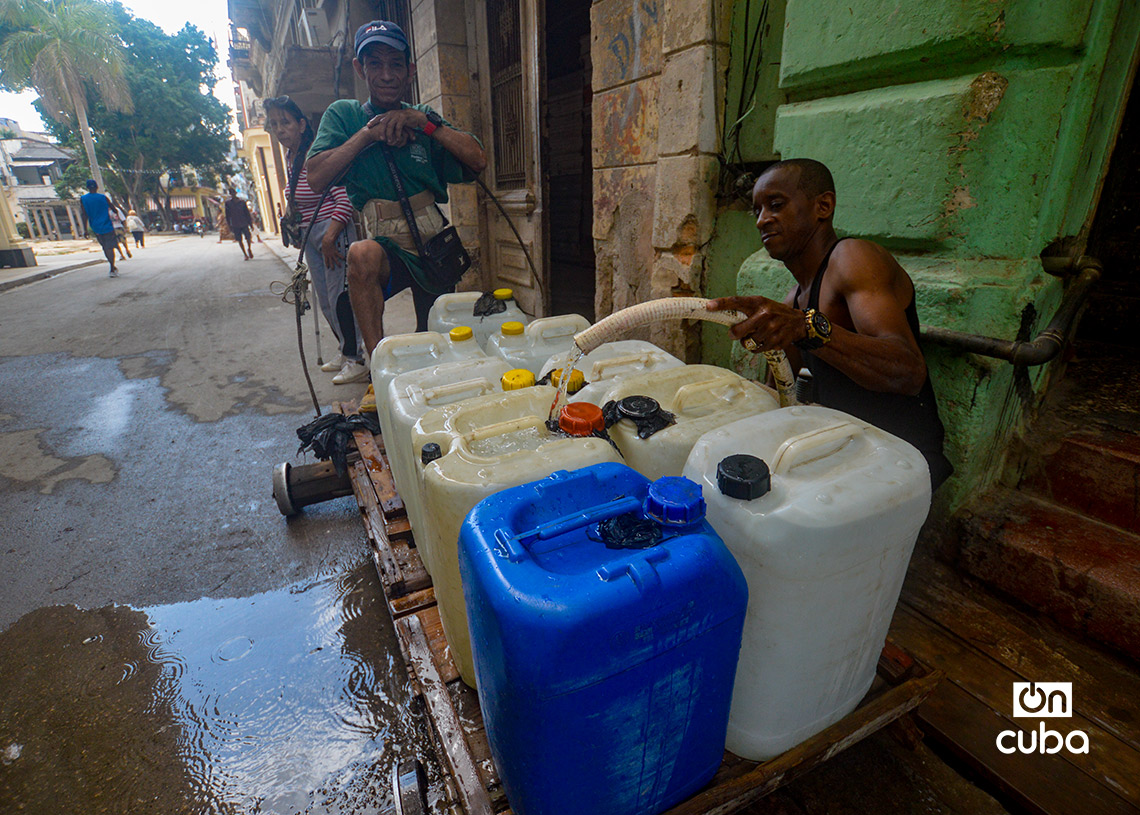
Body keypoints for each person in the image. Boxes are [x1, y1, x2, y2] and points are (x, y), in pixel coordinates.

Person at [708, 158, 953, 490]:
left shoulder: (852, 259)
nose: (762, 220)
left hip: (903, 460)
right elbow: (779, 394)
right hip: (848, 451)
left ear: (823, 206)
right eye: (757, 211)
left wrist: (807, 328)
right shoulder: (794, 298)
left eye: (776, 205)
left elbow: (908, 372)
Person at [306, 20, 487, 356]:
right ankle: (379, 368)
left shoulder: (423, 117)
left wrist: (425, 125)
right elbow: (316, 177)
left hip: (433, 246)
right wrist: (368, 135)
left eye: (395, 64)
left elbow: (477, 159)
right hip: (387, 247)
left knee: (435, 342)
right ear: (360, 69)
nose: (386, 74)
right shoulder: (344, 116)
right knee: (361, 254)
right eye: (375, 63)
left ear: (410, 71)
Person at [265, 94, 367, 385]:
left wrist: (330, 236)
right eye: (274, 124)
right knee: (324, 299)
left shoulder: (315, 154)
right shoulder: (291, 157)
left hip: (332, 232)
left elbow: (345, 199)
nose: (280, 129)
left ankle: (356, 359)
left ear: (301, 124)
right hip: (312, 235)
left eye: (285, 122)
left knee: (341, 297)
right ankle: (345, 350)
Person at [79, 179, 120, 277]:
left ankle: (112, 267)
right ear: (97, 187)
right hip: (107, 226)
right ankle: (112, 267)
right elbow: (114, 210)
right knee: (110, 247)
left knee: (105, 247)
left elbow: (84, 214)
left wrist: (85, 229)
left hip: (96, 227)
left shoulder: (83, 199)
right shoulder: (103, 197)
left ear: (87, 188)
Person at [224, 190, 254, 259]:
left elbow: (247, 213)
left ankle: (249, 248)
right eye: (231, 193)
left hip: (244, 222)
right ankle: (245, 254)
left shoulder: (242, 202)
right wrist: (229, 225)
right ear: (230, 194)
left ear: (236, 193)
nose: (233, 194)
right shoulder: (228, 204)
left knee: (248, 237)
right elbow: (227, 215)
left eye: (233, 193)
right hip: (235, 224)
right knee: (239, 240)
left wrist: (250, 223)